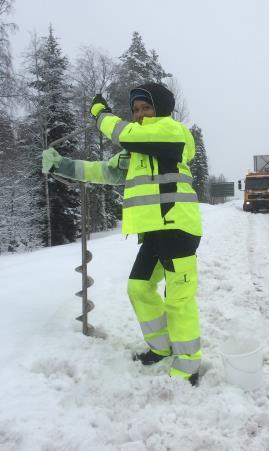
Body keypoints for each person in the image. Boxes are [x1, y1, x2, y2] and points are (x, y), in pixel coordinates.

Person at [42, 83, 203, 385]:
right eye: (136, 110)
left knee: (179, 299)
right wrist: (60, 165)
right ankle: (161, 347)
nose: (140, 114)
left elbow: (125, 133)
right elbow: (102, 171)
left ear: (163, 109)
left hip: (178, 226)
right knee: (139, 288)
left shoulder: (173, 133)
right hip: (154, 232)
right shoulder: (137, 151)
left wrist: (101, 114)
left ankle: (188, 365)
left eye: (147, 108)